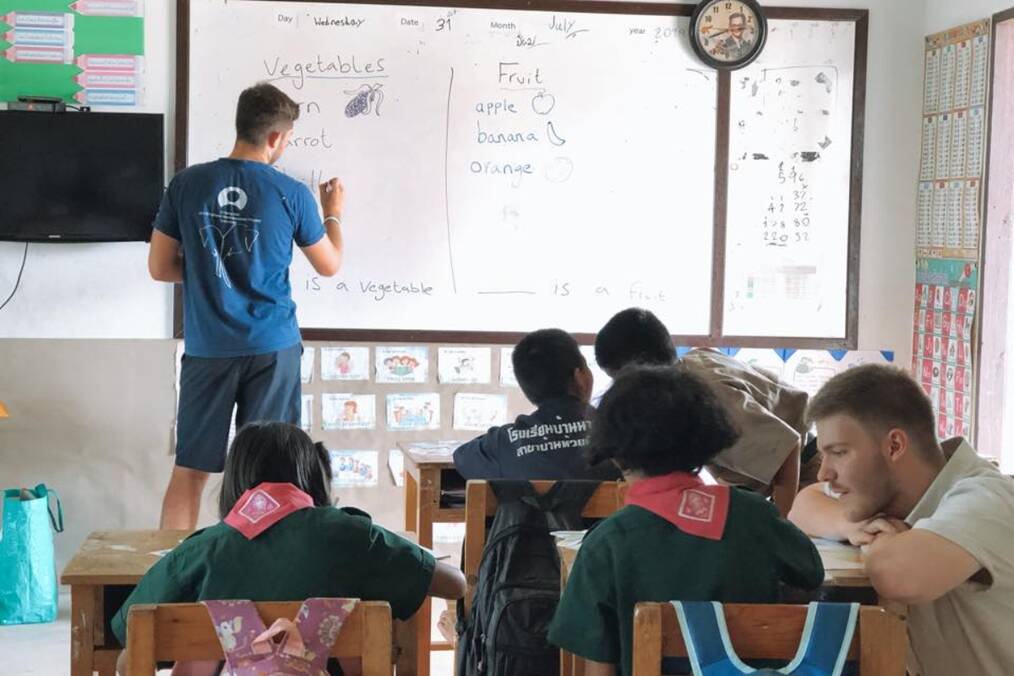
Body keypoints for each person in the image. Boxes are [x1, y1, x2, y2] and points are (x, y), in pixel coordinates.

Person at [112, 422, 466, 675]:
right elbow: (455, 585)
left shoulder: (198, 551)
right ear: (313, 474)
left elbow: (129, 640)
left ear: (234, 480)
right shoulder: (352, 535)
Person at [150, 83, 346, 530]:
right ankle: (265, 566)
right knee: (273, 473)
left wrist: (207, 274)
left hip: (208, 348)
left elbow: (160, 268)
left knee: (190, 470)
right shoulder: (292, 193)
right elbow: (329, 264)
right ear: (276, 137)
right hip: (271, 348)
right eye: (287, 139)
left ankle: (172, 567)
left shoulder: (187, 184)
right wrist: (333, 211)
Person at [547, 365, 823, 676]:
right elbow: (811, 573)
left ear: (613, 452)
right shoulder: (755, 514)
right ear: (708, 439)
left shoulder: (605, 544)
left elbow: (599, 669)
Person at [787, 364, 1014, 676]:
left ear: (894, 446)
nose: (824, 473)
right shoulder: (896, 492)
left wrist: (882, 541)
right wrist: (853, 525)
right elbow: (803, 505)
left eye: (838, 452)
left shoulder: (986, 498)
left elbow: (898, 577)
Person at [594, 308, 808, 515]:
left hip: (805, 472)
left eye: (619, 379)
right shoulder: (685, 375)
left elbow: (787, 450)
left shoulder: (705, 394)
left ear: (641, 369)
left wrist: (784, 524)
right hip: (777, 481)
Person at [453, 328, 621, 480]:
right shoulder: (621, 433)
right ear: (579, 376)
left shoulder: (503, 444)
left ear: (526, 387)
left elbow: (461, 457)